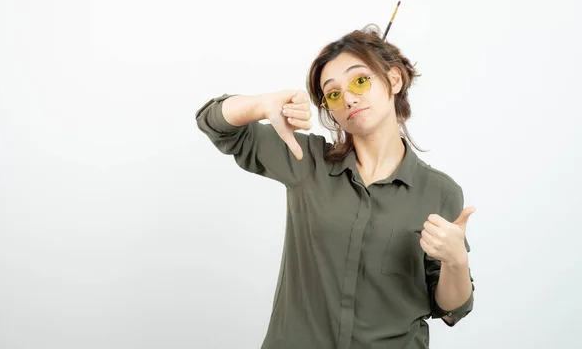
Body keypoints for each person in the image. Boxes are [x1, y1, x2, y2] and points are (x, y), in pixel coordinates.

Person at [195, 23, 475, 349]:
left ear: (394, 79)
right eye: (333, 93)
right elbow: (215, 124)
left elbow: (451, 307)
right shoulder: (307, 160)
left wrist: (456, 261)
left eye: (359, 80)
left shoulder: (439, 192)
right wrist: (261, 105)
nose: (349, 98)